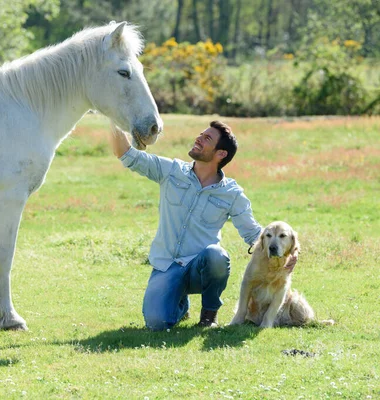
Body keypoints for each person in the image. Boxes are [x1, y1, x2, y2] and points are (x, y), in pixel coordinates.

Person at [109, 120, 297, 329]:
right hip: (166, 267)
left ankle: (208, 317)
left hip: (201, 267)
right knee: (157, 323)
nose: (198, 139)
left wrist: (290, 250)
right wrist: (112, 116)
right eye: (201, 134)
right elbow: (125, 154)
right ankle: (179, 303)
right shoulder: (171, 170)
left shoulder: (232, 194)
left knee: (217, 256)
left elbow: (254, 233)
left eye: (207, 138)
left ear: (220, 154)